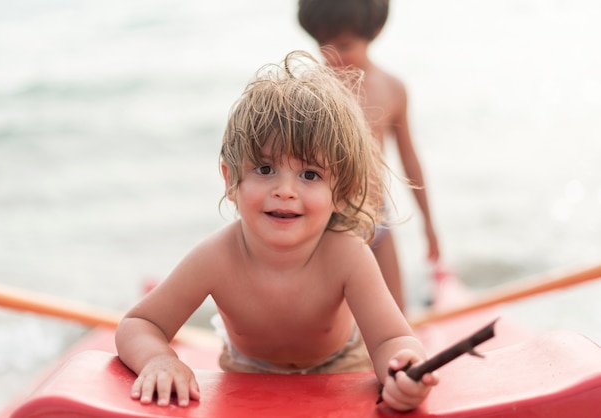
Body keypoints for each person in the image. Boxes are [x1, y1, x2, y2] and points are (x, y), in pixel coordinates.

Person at [115, 51, 437, 412]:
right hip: (245, 377)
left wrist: (403, 369)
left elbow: (390, 339)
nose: (285, 190)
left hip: (340, 372)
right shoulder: (217, 256)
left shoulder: (347, 256)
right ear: (231, 180)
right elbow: (140, 323)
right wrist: (159, 359)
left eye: (310, 175)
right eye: (265, 169)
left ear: (342, 193)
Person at [298, 0, 441, 312]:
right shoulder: (311, 90)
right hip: (328, 225)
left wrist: (429, 225)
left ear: (374, 32)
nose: (331, 55)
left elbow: (410, 160)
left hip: (378, 218)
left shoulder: (392, 88)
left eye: (345, 45)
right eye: (322, 44)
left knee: (395, 312)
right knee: (333, 318)